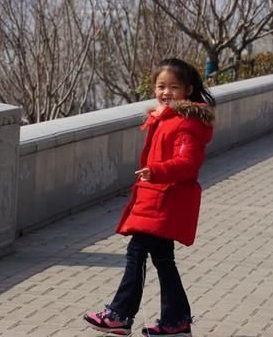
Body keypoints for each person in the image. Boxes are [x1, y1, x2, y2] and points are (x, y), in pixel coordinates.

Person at [83, 58, 216, 336]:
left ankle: (120, 315)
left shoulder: (186, 123)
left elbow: (188, 163)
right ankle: (176, 321)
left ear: (188, 90)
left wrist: (156, 172)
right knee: (163, 260)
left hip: (166, 199)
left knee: (136, 253)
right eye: (160, 86)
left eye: (173, 87)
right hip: (157, 198)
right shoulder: (166, 118)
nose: (165, 92)